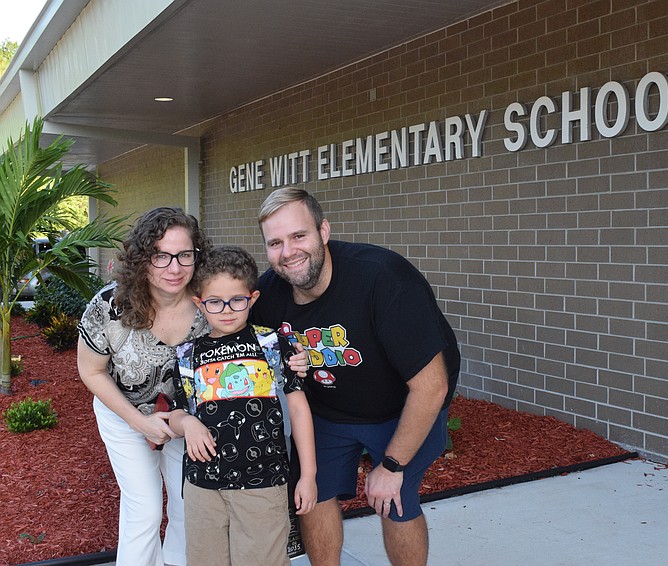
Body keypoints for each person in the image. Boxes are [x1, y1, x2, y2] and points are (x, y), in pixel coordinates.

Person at [252, 187, 460, 566]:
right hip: (329, 409)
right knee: (312, 492)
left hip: (403, 406)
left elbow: (432, 387)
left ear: (324, 231)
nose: (288, 252)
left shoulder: (384, 278)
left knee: (394, 499)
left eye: (299, 236)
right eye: (275, 242)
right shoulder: (267, 294)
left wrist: (392, 466)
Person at [77, 207, 212, 566]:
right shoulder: (110, 305)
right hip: (123, 412)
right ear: (142, 257)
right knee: (146, 509)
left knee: (189, 504)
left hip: (187, 419)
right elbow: (91, 372)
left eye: (185, 255)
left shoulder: (209, 303)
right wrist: (139, 423)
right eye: (161, 255)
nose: (175, 267)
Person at [168, 245, 317, 566]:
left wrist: (308, 475)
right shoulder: (186, 354)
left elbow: (299, 410)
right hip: (203, 487)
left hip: (263, 484)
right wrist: (188, 425)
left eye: (237, 299)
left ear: (252, 298)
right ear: (199, 303)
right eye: (214, 301)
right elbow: (176, 415)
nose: (226, 309)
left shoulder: (273, 344)